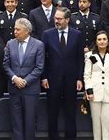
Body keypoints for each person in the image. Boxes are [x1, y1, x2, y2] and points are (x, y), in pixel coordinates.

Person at [41, 7, 84, 140]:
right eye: (55, 18)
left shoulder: (77, 34)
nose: (57, 21)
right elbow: (43, 58)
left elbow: (80, 58)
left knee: (70, 112)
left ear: (67, 19)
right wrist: (44, 77)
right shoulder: (47, 34)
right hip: (52, 80)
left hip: (71, 80)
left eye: (59, 19)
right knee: (52, 112)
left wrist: (79, 78)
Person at [3, 18, 44, 140]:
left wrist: (25, 81)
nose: (15, 31)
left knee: (30, 121)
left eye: (18, 29)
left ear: (27, 31)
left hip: (31, 90)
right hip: (14, 88)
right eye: (14, 29)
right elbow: (6, 65)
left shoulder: (38, 45)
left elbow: (39, 67)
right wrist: (15, 78)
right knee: (16, 121)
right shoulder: (10, 44)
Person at [84, 31, 109, 140]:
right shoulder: (90, 55)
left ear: (108, 41)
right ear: (96, 41)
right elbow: (87, 75)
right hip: (94, 92)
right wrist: (89, 91)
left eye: (104, 39)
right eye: (99, 39)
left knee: (107, 121)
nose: (102, 41)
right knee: (96, 122)